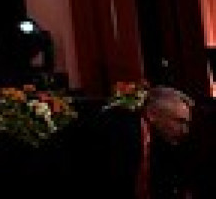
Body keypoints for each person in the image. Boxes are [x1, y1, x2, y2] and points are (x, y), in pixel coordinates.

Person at [43, 84, 196, 198]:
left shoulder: (158, 143)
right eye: (179, 122)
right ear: (152, 115)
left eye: (187, 124)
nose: (185, 131)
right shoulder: (118, 129)